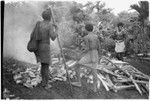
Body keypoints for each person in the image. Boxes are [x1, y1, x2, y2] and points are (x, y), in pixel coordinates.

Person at [33, 9, 58, 88]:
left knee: (42, 64)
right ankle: (46, 84)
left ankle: (43, 82)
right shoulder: (49, 25)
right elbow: (53, 37)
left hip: (38, 46)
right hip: (45, 47)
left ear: (43, 17)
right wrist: (56, 30)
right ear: (50, 17)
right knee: (46, 66)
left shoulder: (39, 24)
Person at [72, 23, 100, 92]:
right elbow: (99, 47)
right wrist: (99, 55)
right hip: (95, 53)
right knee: (94, 71)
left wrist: (80, 53)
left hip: (90, 54)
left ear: (86, 29)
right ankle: (94, 89)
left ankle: (79, 82)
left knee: (77, 65)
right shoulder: (96, 36)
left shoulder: (86, 37)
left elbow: (87, 48)